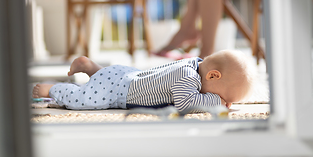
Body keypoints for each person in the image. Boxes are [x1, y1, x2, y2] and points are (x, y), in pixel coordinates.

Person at [32, 50, 254, 112]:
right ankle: (53, 88)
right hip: (119, 90)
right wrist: (216, 101)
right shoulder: (189, 78)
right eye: (225, 96)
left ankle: (93, 69)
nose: (225, 101)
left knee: (105, 80)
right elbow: (187, 103)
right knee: (85, 99)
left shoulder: (192, 63)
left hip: (124, 75)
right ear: (212, 76)